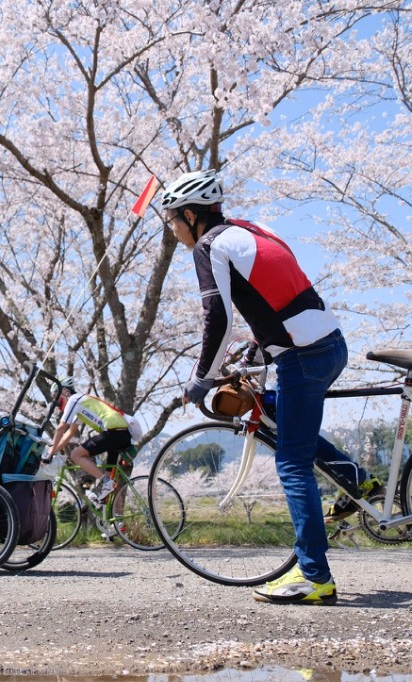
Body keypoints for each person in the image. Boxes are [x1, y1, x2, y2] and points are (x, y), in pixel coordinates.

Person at [162, 169, 378, 605]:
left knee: (292, 464)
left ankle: (314, 576)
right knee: (280, 415)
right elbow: (277, 298)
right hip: (330, 346)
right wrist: (257, 352)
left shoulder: (209, 246)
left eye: (172, 221)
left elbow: (217, 319)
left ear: (190, 214)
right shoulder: (254, 231)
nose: (172, 230)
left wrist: (200, 380)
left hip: (302, 357)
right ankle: (358, 482)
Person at [45, 381, 135, 506]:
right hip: (122, 434)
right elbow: (70, 432)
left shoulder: (74, 399)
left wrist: (49, 454)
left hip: (113, 432)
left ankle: (106, 482)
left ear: (65, 392)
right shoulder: (82, 403)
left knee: (76, 455)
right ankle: (118, 521)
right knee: (110, 486)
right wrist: (52, 450)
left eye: (57, 397)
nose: (57, 403)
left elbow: (61, 428)